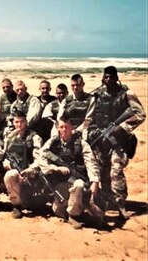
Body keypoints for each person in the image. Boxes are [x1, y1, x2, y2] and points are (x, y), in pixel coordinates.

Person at [85, 66, 146, 219]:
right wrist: (90, 133)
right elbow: (89, 118)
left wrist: (121, 128)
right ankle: (106, 202)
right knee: (103, 173)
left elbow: (140, 114)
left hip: (119, 141)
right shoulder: (97, 96)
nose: (109, 80)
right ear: (102, 78)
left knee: (116, 172)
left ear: (116, 77)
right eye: (106, 77)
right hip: (101, 141)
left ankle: (120, 205)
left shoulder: (126, 94)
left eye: (112, 77)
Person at [39, 115, 101, 229]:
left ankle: (73, 216)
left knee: (79, 185)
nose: (64, 130)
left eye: (66, 127)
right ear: (57, 128)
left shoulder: (81, 143)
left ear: (72, 128)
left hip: (76, 179)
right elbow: (41, 156)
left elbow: (91, 162)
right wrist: (54, 168)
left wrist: (95, 181)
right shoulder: (53, 141)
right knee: (58, 211)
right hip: (59, 182)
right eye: (61, 127)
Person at [3, 110, 44, 219]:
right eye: (16, 122)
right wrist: (6, 163)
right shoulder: (10, 136)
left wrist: (30, 169)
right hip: (15, 171)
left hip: (31, 172)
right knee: (9, 175)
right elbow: (5, 155)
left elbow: (39, 158)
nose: (19, 124)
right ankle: (16, 205)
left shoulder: (34, 137)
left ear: (26, 122)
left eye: (21, 121)